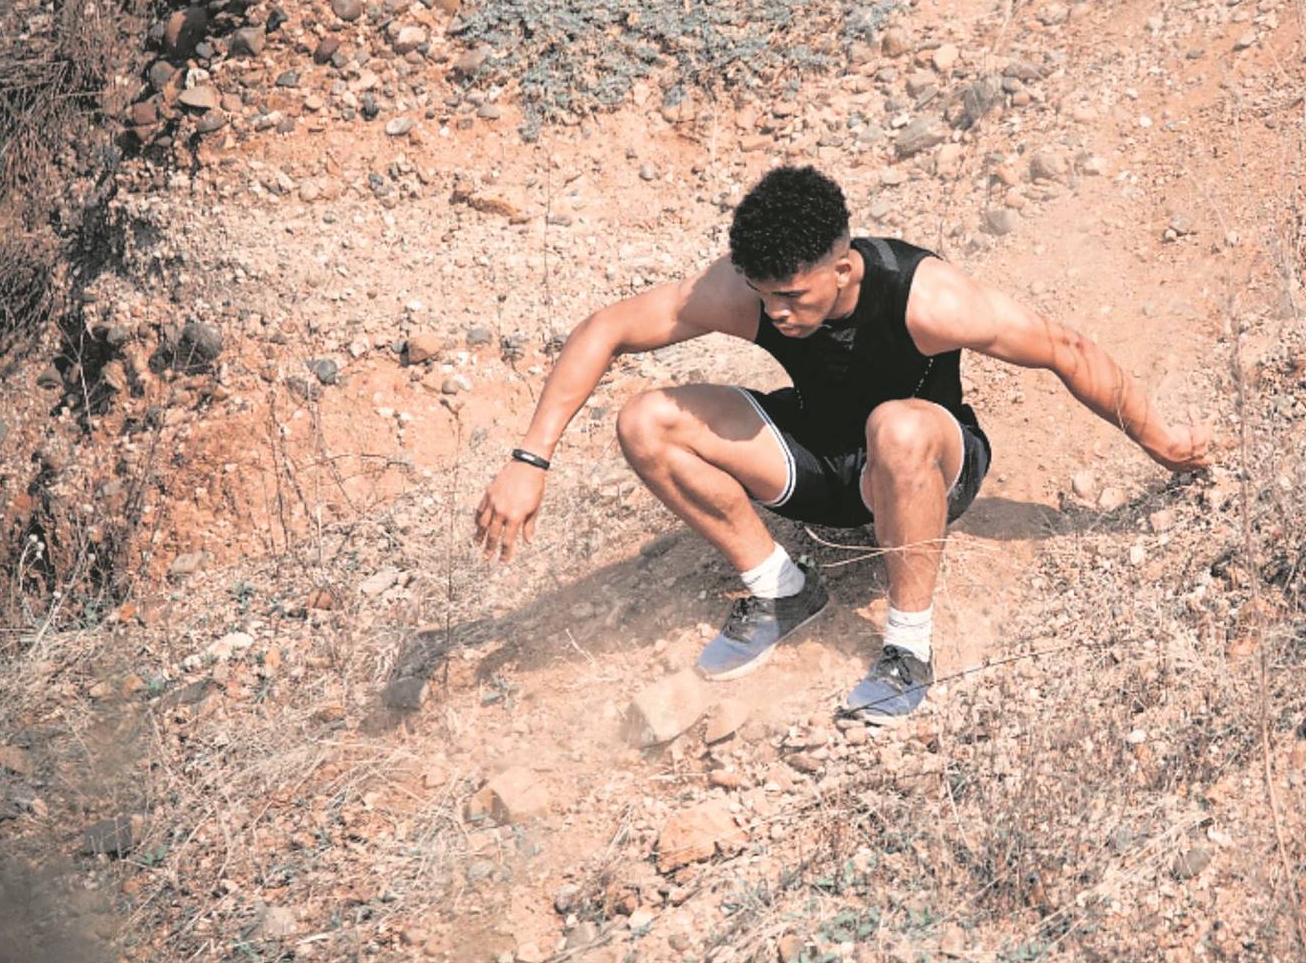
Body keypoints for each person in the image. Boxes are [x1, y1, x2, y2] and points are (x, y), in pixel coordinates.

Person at [474, 166, 1209, 723]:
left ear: (844, 268)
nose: (775, 312)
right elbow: (606, 328)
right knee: (645, 420)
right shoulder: (746, 293)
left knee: (897, 424)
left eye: (793, 296)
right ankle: (782, 590)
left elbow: (1066, 350)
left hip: (923, 463)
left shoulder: (925, 297)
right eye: (764, 294)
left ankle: (908, 648)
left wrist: (1164, 443)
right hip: (818, 457)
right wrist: (529, 458)